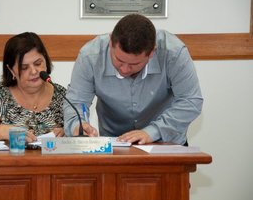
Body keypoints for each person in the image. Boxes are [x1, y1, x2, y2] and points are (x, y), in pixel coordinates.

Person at [63, 14, 203, 146]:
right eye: (118, 60)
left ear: (152, 53)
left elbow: (190, 101)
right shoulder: (90, 56)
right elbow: (76, 101)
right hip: (115, 142)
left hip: (165, 141)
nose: (124, 69)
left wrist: (152, 132)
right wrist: (78, 125)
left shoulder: (173, 53)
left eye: (134, 64)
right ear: (111, 42)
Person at [0, 32, 66, 142]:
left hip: (52, 159)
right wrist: (3, 131)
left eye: (38, 63)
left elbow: (80, 129)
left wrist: (68, 132)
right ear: (11, 70)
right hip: (9, 159)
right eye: (24, 68)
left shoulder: (62, 95)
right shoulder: (0, 94)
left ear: (46, 61)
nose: (33, 71)